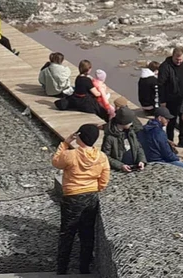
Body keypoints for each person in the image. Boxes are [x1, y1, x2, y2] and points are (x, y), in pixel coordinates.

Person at [51, 124, 110, 275]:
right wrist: (97, 188)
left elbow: (56, 162)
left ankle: (62, 268)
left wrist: (65, 143)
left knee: (67, 233)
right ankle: (84, 268)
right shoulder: (101, 157)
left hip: (72, 196)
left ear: (80, 137)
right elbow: (104, 179)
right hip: (91, 196)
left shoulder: (70, 155)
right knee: (87, 233)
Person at [157, 47, 183, 148]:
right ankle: (170, 143)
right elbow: (161, 85)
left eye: (180, 59)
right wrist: (162, 100)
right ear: (172, 56)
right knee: (171, 122)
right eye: (177, 59)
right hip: (171, 99)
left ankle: (182, 140)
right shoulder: (165, 66)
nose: (179, 61)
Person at [101, 107, 147, 172]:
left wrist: (141, 160)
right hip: (118, 171)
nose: (132, 123)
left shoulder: (131, 132)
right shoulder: (110, 137)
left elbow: (138, 147)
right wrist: (120, 166)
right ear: (123, 122)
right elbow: (105, 156)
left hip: (134, 167)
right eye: (130, 122)